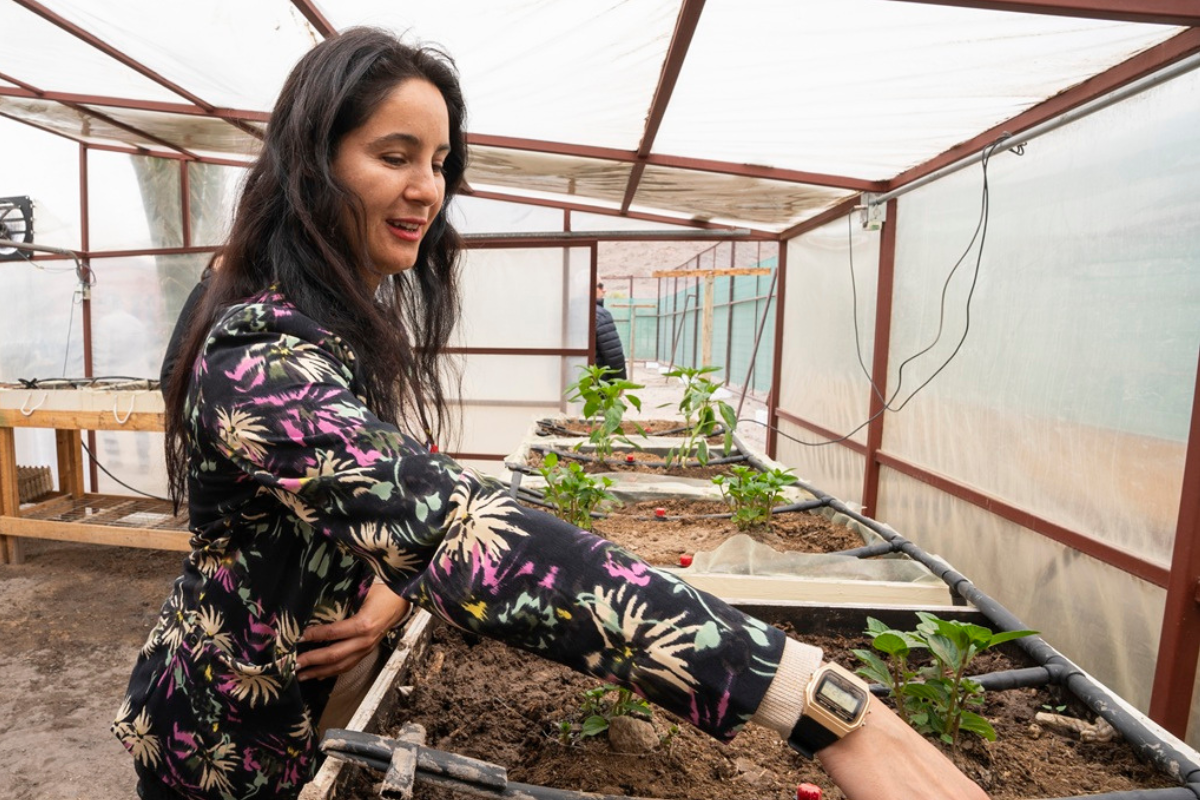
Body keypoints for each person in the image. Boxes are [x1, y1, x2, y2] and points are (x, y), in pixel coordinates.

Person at [112, 27, 988, 800]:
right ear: (313, 165)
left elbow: (393, 490)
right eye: (395, 155)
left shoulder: (333, 328)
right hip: (217, 736)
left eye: (441, 161)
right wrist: (808, 698)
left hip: (296, 703)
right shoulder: (260, 357)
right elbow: (457, 528)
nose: (429, 188)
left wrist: (386, 593)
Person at [594, 281, 627, 380]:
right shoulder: (600, 314)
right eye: (600, 286)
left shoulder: (563, 311)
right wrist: (620, 382)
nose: (604, 290)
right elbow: (614, 355)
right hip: (596, 385)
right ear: (588, 288)